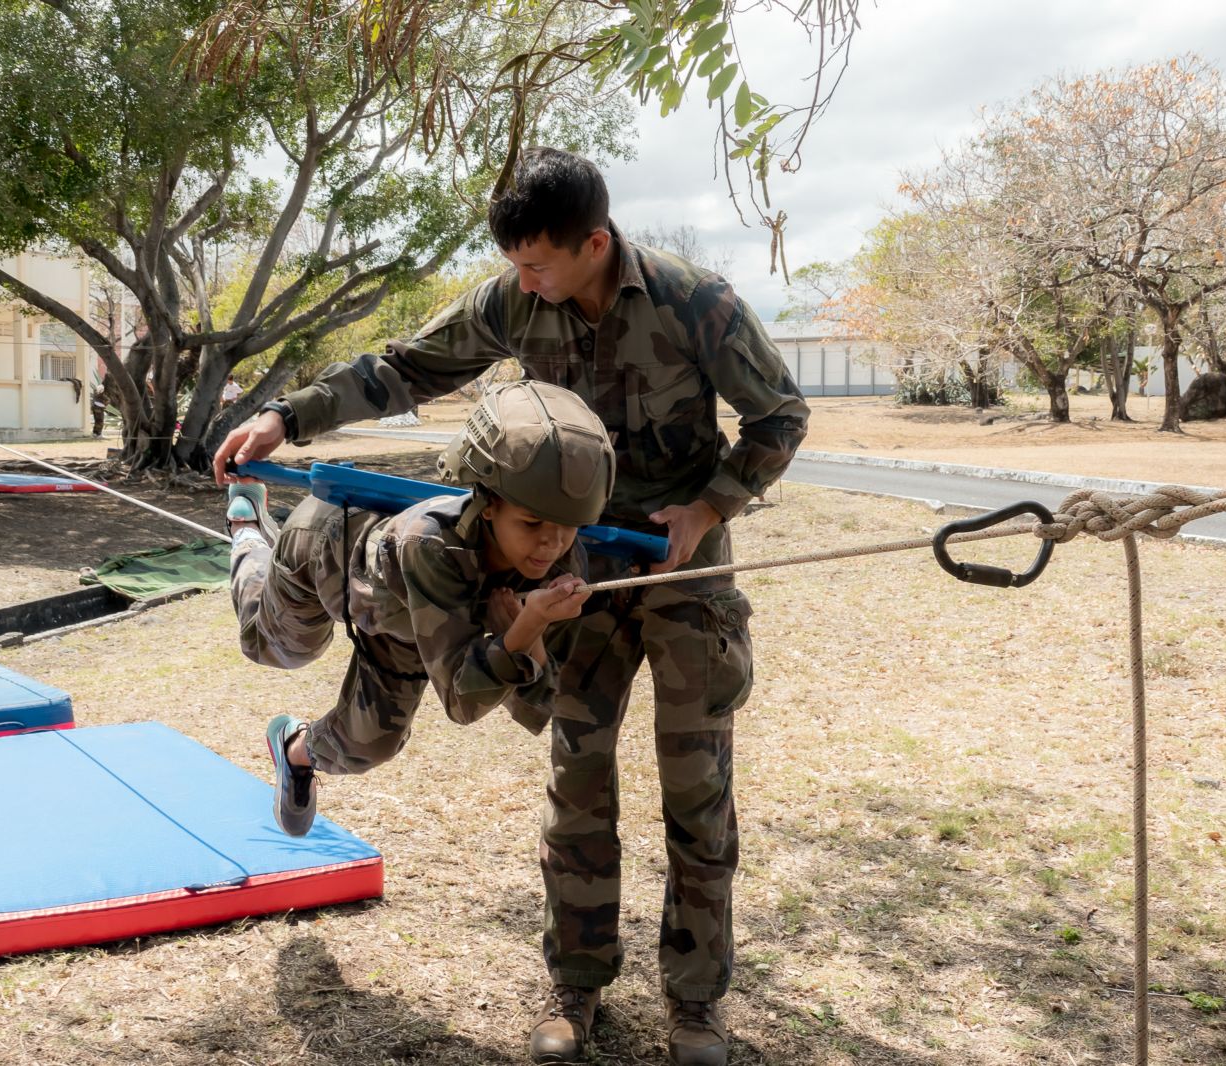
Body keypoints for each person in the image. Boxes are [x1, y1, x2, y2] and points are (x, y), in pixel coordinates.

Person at [214, 148, 808, 1066]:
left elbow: (780, 418)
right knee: (579, 784)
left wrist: (709, 505)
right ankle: (576, 990)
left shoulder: (699, 303)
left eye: (537, 264)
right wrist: (289, 417)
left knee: (699, 797)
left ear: (594, 244)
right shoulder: (512, 299)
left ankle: (696, 1006)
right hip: (569, 574)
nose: (521, 282)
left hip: (679, 574)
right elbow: (406, 367)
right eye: (516, 266)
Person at [226, 380, 614, 841]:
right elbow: (462, 701)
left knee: (371, 745)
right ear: (487, 506)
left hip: (406, 622)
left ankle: (293, 751)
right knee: (279, 651)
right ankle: (247, 529)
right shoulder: (429, 544)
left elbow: (533, 701)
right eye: (532, 524)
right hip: (324, 555)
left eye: (569, 527)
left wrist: (529, 634)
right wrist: (526, 625)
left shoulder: (562, 562)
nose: (551, 543)